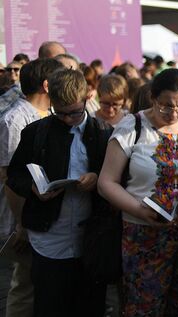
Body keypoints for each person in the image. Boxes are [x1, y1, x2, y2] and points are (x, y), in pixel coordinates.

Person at [97, 69, 178, 316]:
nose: (173, 114)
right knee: (144, 307)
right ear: (152, 97)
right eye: (166, 106)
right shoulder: (132, 127)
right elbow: (106, 182)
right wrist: (139, 209)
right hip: (143, 236)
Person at [6, 68, 112, 317]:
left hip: (91, 237)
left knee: (90, 305)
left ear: (86, 99)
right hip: (49, 237)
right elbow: (15, 175)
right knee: (50, 304)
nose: (67, 119)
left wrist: (98, 178)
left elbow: (117, 177)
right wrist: (33, 187)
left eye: (74, 112)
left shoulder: (103, 133)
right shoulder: (36, 132)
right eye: (60, 113)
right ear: (50, 102)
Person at [0, 58, 63, 317]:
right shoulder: (15, 120)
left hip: (42, 216)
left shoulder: (51, 114)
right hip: (22, 218)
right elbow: (9, 176)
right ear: (47, 85)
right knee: (24, 285)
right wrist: (20, 224)